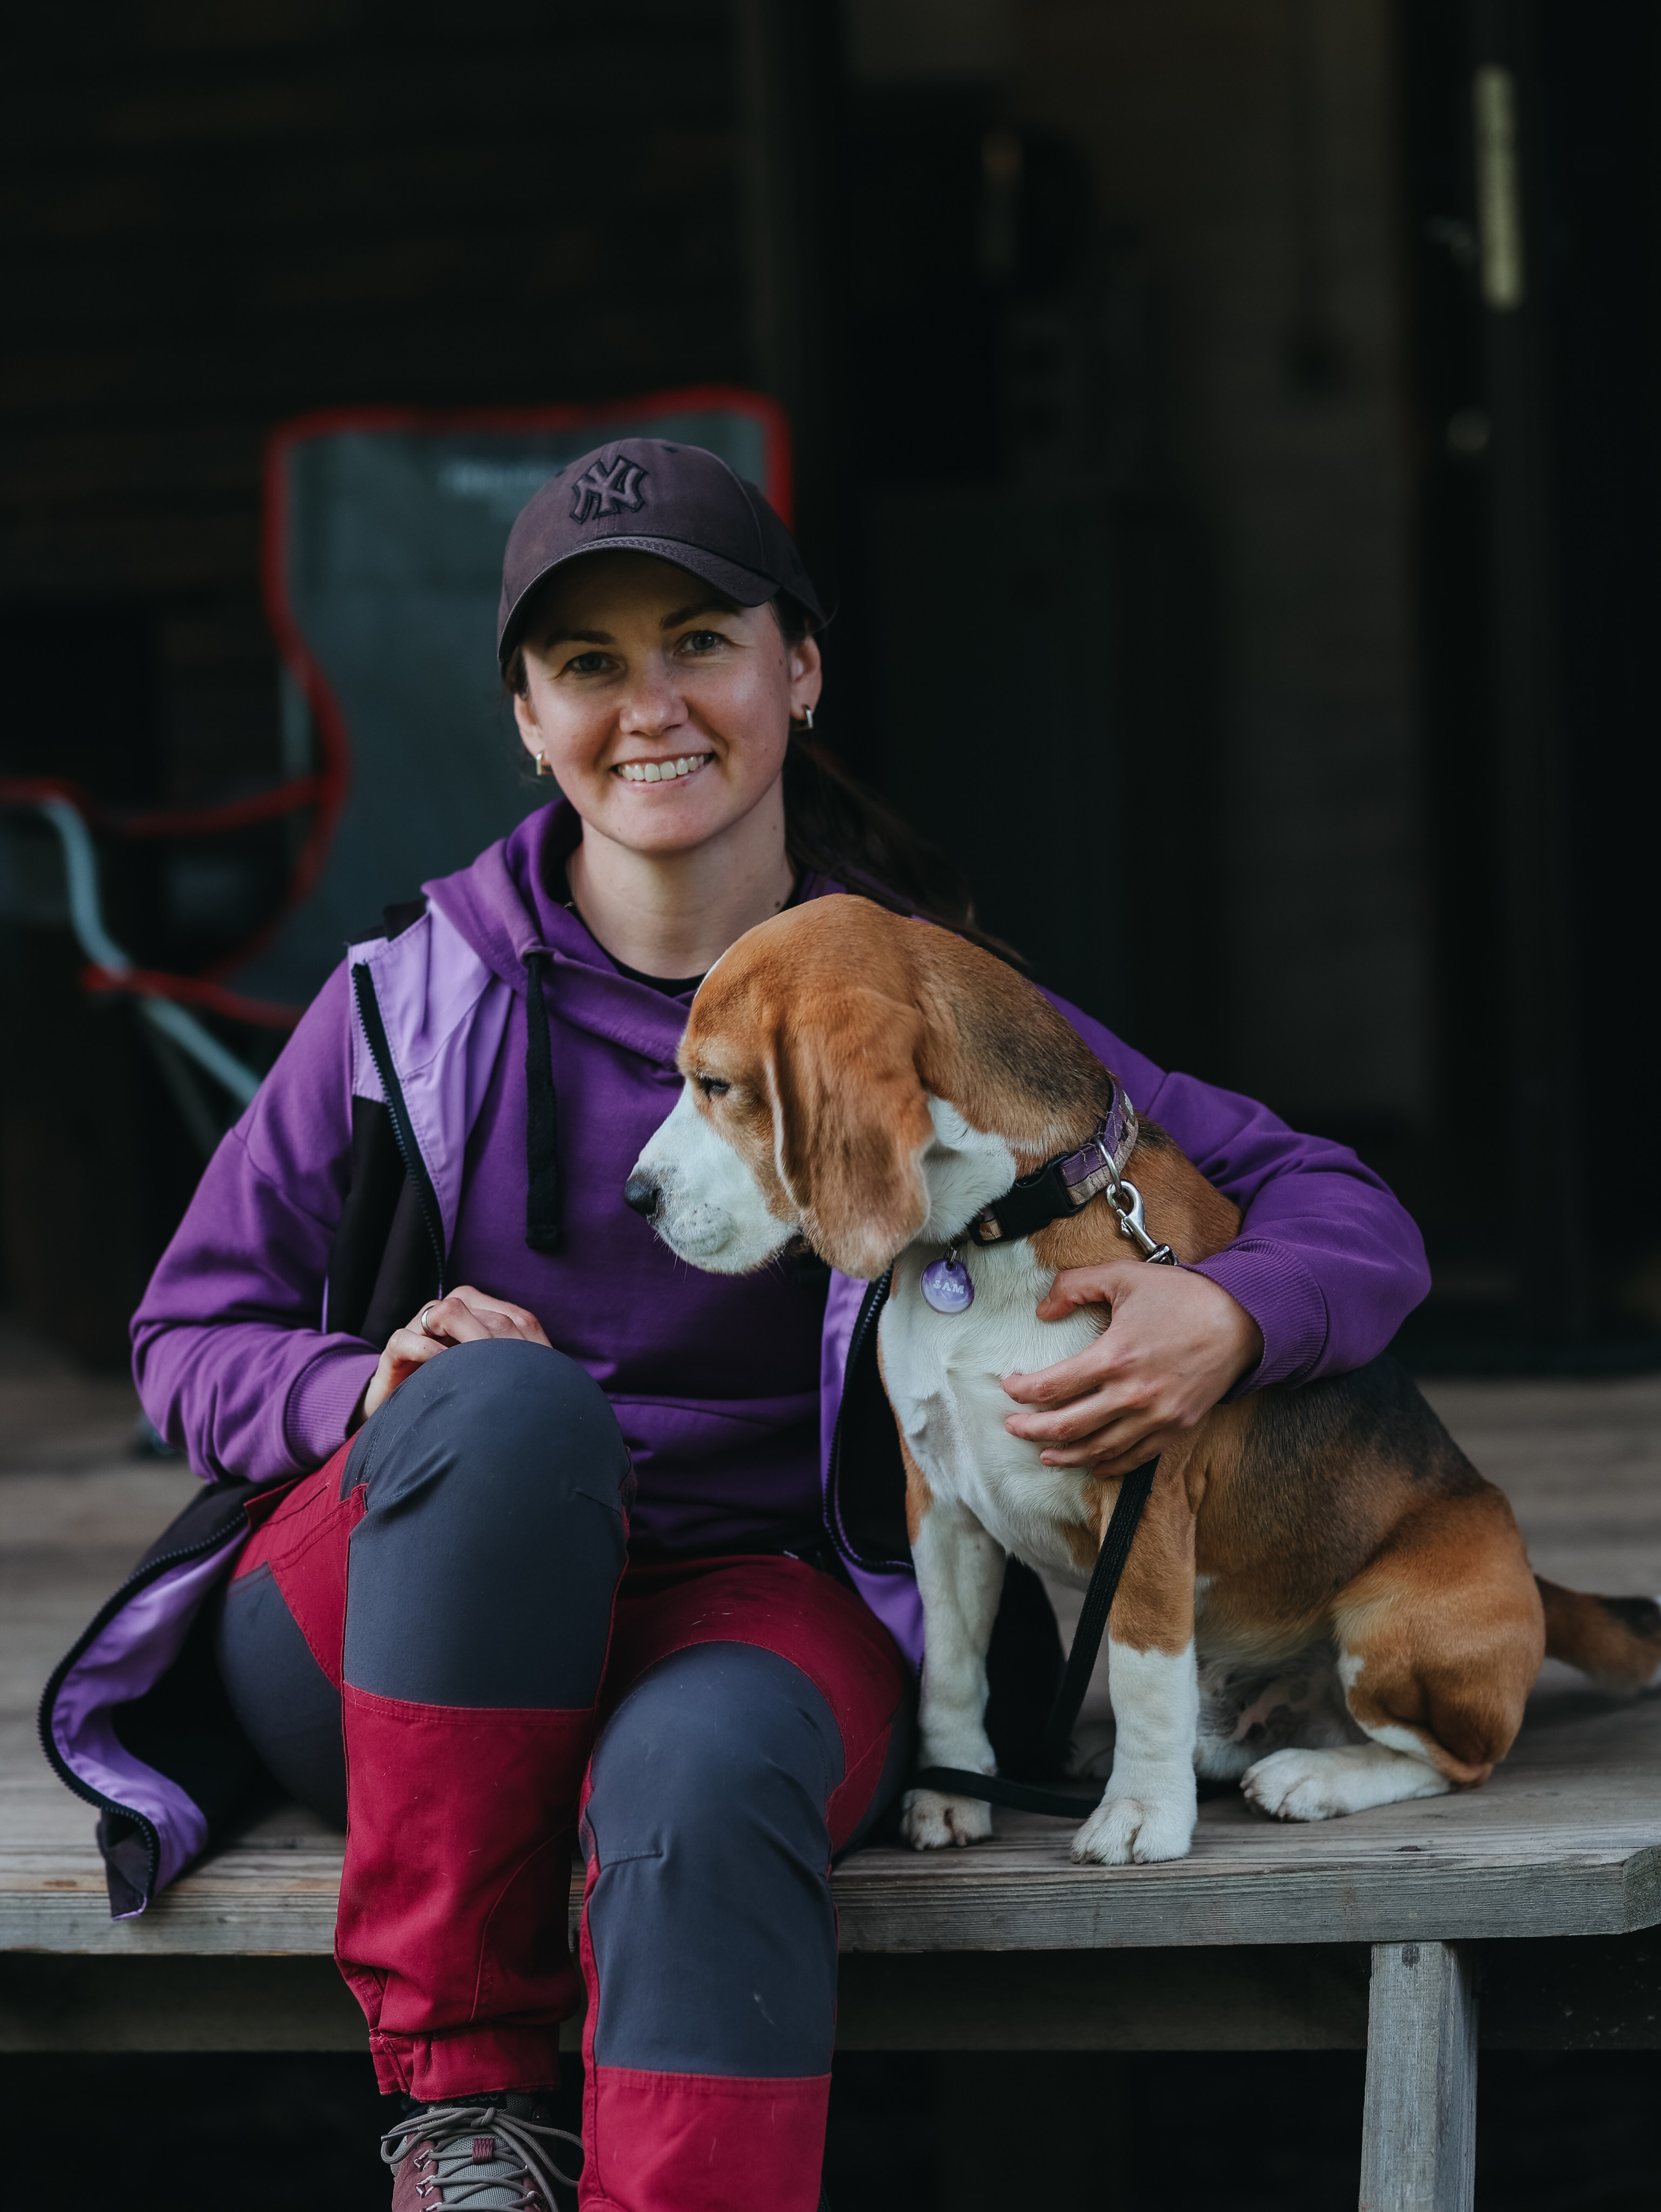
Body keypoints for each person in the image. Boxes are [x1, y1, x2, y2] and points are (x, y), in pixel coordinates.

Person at [42, 440, 1431, 2212]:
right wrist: (358, 1378)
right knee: (507, 1410)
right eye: (591, 663)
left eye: (701, 639)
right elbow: (186, 1332)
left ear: (801, 670)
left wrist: (1226, 1312)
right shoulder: (412, 999)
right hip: (399, 1621)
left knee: (699, 1779)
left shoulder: (917, 1005)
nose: (653, 705)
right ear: (527, 716)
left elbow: (1345, 1203)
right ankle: (468, 2115)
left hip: (755, 1611)